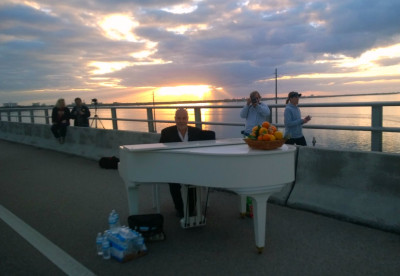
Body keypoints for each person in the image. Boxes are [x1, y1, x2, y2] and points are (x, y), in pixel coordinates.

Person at [159, 108, 213, 218]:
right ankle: (179, 208)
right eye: (178, 118)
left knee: (193, 181)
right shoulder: (166, 133)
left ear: (188, 119)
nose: (181, 121)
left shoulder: (197, 132)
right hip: (174, 166)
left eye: (184, 118)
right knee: (173, 182)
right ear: (175, 119)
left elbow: (205, 150)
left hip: (193, 166)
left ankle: (190, 209)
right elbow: (161, 151)